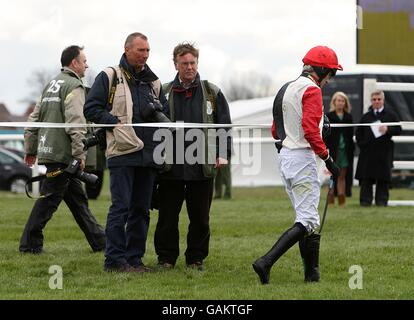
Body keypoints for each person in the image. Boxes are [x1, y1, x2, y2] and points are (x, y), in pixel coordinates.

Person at [252, 46, 342, 284]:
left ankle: (311, 274)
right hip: (302, 159)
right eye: (330, 74)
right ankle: (266, 262)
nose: (329, 80)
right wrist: (328, 159)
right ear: (321, 70)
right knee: (307, 220)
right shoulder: (311, 91)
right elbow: (311, 131)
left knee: (306, 218)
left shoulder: (286, 88)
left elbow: (276, 128)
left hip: (286, 157)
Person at [84, 32, 169, 272]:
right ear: (127, 49)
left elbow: (164, 117)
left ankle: (134, 260)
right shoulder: (109, 76)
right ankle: (114, 260)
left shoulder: (154, 82)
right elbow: (90, 108)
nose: (145, 55)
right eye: (141, 50)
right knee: (120, 208)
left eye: (148, 51)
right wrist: (114, 122)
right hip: (122, 152)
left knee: (141, 210)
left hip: (148, 154)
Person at [19, 45, 106, 254]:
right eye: (84, 61)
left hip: (49, 151)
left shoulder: (50, 85)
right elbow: (76, 123)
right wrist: (79, 154)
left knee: (78, 202)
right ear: (74, 63)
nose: (87, 65)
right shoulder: (74, 86)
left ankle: (101, 242)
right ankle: (29, 245)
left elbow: (34, 119)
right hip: (64, 155)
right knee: (49, 200)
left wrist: (31, 148)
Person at [154, 42, 232, 271]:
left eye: (193, 63)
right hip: (171, 166)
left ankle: (195, 258)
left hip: (202, 166)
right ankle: (166, 259)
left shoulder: (212, 92)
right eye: (184, 63)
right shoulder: (163, 92)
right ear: (175, 64)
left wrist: (223, 153)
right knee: (168, 217)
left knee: (200, 218)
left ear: (197, 63)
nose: (189, 67)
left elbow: (224, 126)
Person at [355, 90, 402, 207]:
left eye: (379, 99)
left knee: (383, 178)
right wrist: (363, 145)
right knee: (366, 179)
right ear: (371, 101)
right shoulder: (366, 116)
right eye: (374, 99)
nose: (376, 101)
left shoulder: (391, 115)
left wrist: (388, 129)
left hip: (384, 152)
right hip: (368, 153)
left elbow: (399, 130)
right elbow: (358, 134)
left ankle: (382, 201)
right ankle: (365, 201)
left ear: (383, 100)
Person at [324, 91, 355, 205]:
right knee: (332, 174)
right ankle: (330, 197)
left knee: (342, 175)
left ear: (345, 103)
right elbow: (326, 135)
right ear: (334, 102)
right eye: (338, 100)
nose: (340, 103)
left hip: (345, 151)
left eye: (343, 101)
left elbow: (350, 135)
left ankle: (342, 199)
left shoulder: (348, 117)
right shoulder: (329, 116)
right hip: (333, 150)